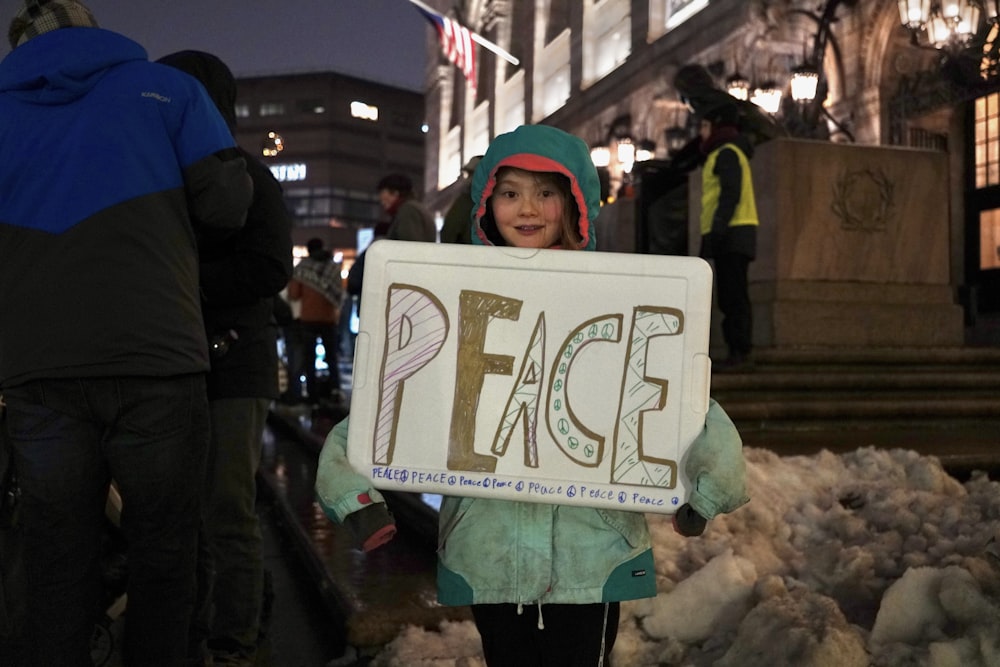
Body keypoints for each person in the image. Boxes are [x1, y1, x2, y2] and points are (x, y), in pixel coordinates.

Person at [314, 124, 749, 666]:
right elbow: (395, 393)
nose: (528, 208)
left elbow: (678, 389)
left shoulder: (619, 293)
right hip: (487, 548)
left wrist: (710, 482)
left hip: (592, 553)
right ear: (486, 202)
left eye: (546, 192)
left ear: (574, 203)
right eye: (511, 192)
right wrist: (355, 494)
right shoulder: (458, 295)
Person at [0, 3, 253, 665]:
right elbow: (227, 205)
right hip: (157, 353)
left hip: (38, 367)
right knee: (164, 553)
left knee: (56, 555)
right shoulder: (170, 92)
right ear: (94, 31)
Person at [156, 49, 294, 666]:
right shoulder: (170, 171)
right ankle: (219, 618)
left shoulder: (248, 176)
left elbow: (270, 267)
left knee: (227, 508)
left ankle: (234, 635)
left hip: (233, 364)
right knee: (195, 509)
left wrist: (187, 281)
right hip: (181, 357)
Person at [697, 101, 760, 371]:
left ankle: (739, 352)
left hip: (732, 234)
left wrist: (720, 227)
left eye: (703, 126)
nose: (700, 132)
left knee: (733, 296)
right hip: (734, 233)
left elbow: (729, 194)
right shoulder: (728, 152)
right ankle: (737, 351)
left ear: (715, 127)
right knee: (732, 295)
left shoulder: (726, 153)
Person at [287, 238, 345, 405]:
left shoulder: (303, 269)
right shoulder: (333, 268)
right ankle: (335, 390)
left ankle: (313, 396)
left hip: (308, 320)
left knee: (309, 359)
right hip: (329, 319)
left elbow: (293, 295)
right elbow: (338, 293)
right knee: (332, 357)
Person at [376, 172, 437, 242]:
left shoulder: (408, 210)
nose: (382, 202)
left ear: (395, 193)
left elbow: (409, 245)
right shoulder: (414, 208)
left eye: (384, 199)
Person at [438, 156, 482, 244]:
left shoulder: (465, 203)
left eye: (471, 174)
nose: (468, 180)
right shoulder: (465, 201)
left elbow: (449, 234)